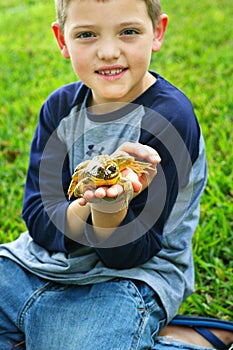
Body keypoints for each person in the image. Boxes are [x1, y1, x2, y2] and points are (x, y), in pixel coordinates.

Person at [1, 0, 222, 349]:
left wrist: (111, 209)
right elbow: (39, 218)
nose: (108, 52)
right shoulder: (59, 110)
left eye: (128, 31)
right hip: (38, 266)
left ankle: (199, 340)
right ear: (62, 40)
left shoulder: (169, 120)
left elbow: (133, 252)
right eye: (87, 34)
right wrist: (85, 206)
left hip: (126, 280)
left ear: (157, 32)